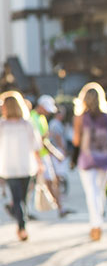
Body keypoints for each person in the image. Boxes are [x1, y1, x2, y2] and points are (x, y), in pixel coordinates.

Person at [72, 82, 107, 241]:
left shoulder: (80, 118)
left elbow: (76, 141)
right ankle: (98, 222)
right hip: (104, 157)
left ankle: (95, 224)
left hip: (86, 158)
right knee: (100, 192)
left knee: (91, 193)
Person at [0, 91, 43, 241]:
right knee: (22, 198)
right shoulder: (27, 124)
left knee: (18, 198)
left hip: (9, 167)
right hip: (26, 165)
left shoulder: (2, 125)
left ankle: (20, 222)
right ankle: (22, 225)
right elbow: (36, 146)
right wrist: (40, 163)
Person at [30, 94, 65, 214]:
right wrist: (56, 153)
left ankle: (59, 206)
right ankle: (59, 207)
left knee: (47, 182)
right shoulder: (32, 118)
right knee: (44, 182)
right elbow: (41, 141)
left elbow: (45, 138)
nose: (48, 112)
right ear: (41, 106)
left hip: (42, 155)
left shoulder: (42, 118)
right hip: (37, 155)